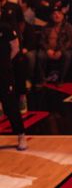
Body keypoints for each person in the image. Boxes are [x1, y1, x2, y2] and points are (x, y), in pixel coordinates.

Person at [0, 19, 27, 150]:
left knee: (10, 105)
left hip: (3, 73)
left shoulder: (5, 28)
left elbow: (15, 48)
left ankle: (21, 134)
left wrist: (5, 62)